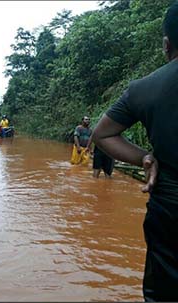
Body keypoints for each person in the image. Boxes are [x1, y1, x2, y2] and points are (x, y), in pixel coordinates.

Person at [92, 2, 178, 300]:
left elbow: (102, 134)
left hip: (170, 211)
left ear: (166, 45)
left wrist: (144, 156)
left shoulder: (145, 89)